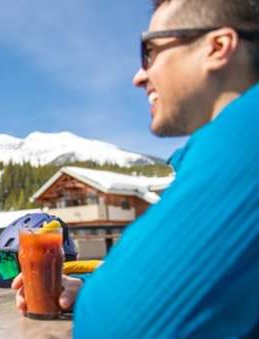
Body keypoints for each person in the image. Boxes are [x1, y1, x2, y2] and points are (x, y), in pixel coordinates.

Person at [15, 0, 259, 337]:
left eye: (151, 51)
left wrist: (100, 297)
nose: (139, 76)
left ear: (217, 47)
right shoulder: (218, 154)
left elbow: (118, 325)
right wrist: (87, 287)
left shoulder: (246, 137)